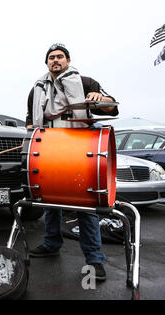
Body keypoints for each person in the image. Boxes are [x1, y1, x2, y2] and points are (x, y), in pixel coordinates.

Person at [26, 43, 119, 281]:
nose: (55, 60)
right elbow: (30, 121)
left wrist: (101, 97)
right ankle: (51, 243)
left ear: (68, 60)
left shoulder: (86, 82)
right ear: (46, 63)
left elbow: (111, 107)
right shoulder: (36, 88)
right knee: (49, 199)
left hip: (79, 146)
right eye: (51, 58)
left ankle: (95, 260)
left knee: (86, 205)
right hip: (49, 147)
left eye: (59, 57)